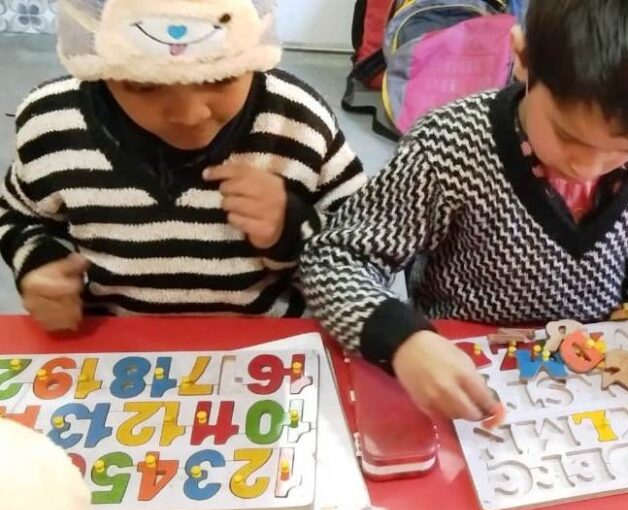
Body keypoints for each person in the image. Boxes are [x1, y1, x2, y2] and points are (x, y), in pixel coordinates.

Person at [302, 0, 628, 421]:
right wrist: (403, 341)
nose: (587, 168)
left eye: (623, 150)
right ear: (524, 58)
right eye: (568, 136)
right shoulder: (449, 146)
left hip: (588, 380)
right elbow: (334, 260)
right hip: (466, 378)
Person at [0, 0, 366, 332]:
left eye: (220, 78)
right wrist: (40, 263)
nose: (190, 115)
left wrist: (290, 227)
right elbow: (19, 215)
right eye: (144, 85)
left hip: (265, 346)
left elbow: (358, 239)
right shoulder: (52, 125)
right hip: (113, 346)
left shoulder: (297, 123)